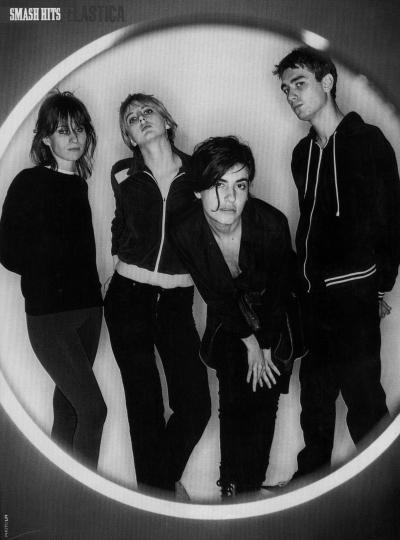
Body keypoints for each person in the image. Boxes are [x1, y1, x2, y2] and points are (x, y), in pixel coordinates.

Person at [273, 46, 400, 478]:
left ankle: (383, 487)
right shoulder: (301, 154)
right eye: (286, 88)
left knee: (363, 400)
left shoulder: (368, 142)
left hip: (354, 295)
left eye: (299, 84)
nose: (291, 95)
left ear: (327, 82)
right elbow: (310, 224)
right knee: (315, 399)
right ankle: (309, 482)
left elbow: (391, 219)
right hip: (314, 300)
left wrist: (379, 286)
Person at [171, 136, 293, 497]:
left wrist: (265, 344)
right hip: (228, 314)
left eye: (240, 185)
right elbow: (215, 293)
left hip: (274, 312)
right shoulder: (185, 229)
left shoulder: (271, 223)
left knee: (265, 391)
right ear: (198, 191)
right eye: (218, 185)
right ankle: (231, 484)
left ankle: (250, 488)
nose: (230, 198)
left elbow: (280, 291)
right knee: (233, 391)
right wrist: (249, 343)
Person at [104, 93, 211, 496]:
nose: (141, 118)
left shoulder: (199, 173)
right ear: (129, 137)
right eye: (132, 118)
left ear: (167, 121)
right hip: (126, 297)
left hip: (176, 300)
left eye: (148, 111)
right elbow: (120, 223)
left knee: (195, 405)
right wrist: (119, 258)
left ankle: (157, 489)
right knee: (143, 403)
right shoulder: (121, 173)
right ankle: (161, 500)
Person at [0, 91, 106, 468]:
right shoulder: (29, 182)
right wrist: (49, 275)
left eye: (79, 129)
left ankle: (64, 494)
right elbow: (7, 252)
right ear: (46, 138)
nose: (74, 138)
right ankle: (84, 495)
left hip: (89, 312)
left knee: (70, 409)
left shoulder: (80, 183)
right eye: (63, 131)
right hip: (50, 318)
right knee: (94, 410)